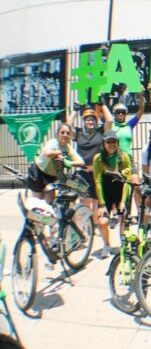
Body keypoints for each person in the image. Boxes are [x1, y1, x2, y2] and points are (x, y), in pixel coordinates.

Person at [69, 105, 113, 234]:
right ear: (84, 121)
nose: (90, 122)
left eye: (93, 119)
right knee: (85, 201)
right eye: (87, 119)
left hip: (98, 173)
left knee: (97, 201)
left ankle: (95, 226)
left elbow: (109, 121)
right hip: (82, 173)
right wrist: (74, 110)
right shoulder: (79, 133)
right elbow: (67, 126)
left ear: (96, 121)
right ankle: (85, 226)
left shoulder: (100, 132)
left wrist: (103, 104)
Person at [92, 131, 131, 258]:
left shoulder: (124, 157)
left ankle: (124, 244)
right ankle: (107, 244)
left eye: (114, 141)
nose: (111, 144)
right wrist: (102, 204)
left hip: (120, 191)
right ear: (104, 144)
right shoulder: (98, 159)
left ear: (117, 143)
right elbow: (98, 181)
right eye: (108, 142)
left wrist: (123, 201)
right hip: (106, 191)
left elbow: (127, 181)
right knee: (102, 221)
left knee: (123, 218)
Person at [27, 123, 85, 200]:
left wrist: (68, 163)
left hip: (51, 177)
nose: (65, 135)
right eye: (62, 132)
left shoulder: (67, 148)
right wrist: (60, 152)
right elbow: (47, 153)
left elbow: (81, 162)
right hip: (38, 173)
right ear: (57, 134)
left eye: (67, 133)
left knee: (50, 202)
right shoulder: (53, 142)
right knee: (38, 202)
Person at [111, 91, 145, 169]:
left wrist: (142, 96)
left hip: (128, 159)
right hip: (114, 160)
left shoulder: (129, 125)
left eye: (122, 112)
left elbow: (141, 111)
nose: (120, 114)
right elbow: (100, 114)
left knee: (135, 180)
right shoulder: (110, 125)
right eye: (118, 112)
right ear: (114, 114)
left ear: (125, 114)